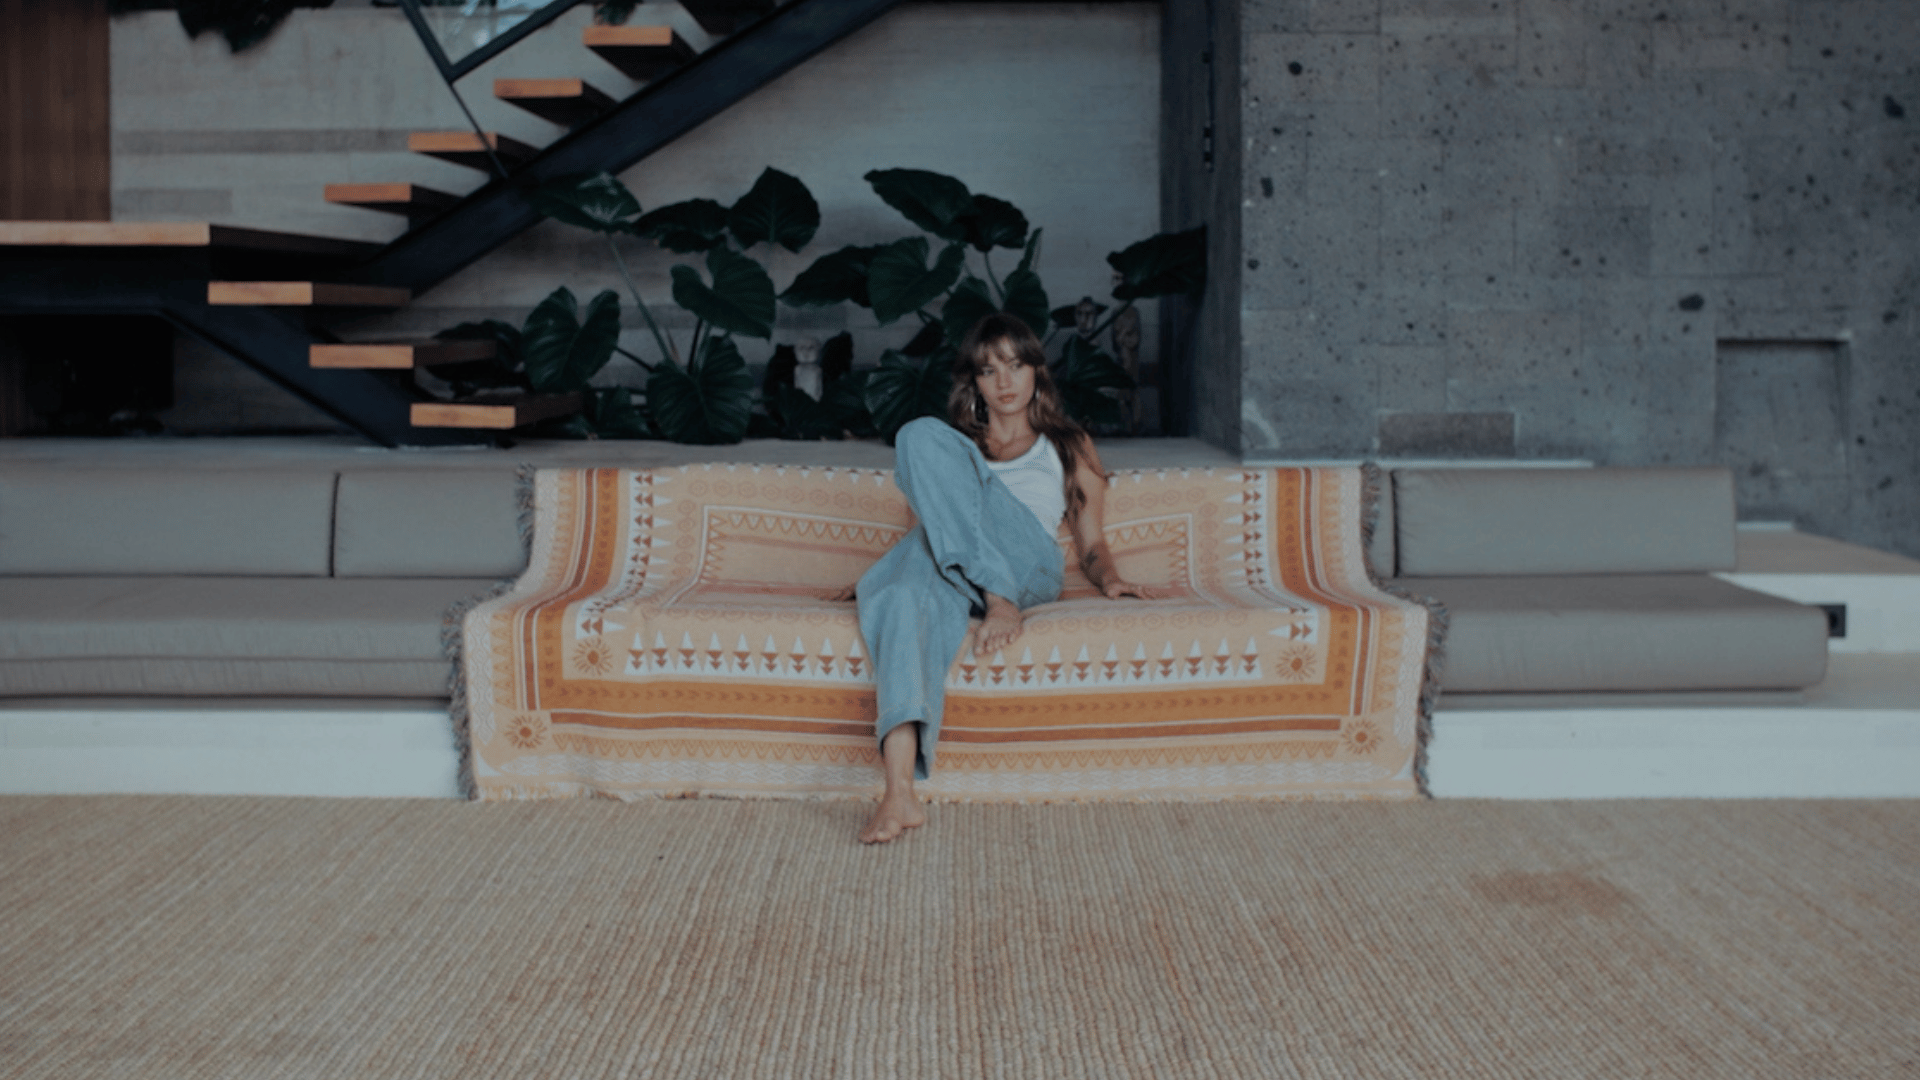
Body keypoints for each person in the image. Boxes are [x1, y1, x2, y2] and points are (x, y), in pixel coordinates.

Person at [828, 312, 1164, 844]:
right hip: (961, 570)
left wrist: (1110, 579)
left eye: (1015, 365)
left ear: (1036, 372)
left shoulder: (1066, 443)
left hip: (1026, 567)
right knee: (903, 591)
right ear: (975, 383)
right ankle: (898, 792)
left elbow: (1091, 542)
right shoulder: (958, 448)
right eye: (989, 370)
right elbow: (931, 537)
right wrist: (886, 573)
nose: (1004, 382)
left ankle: (999, 597)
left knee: (920, 438)